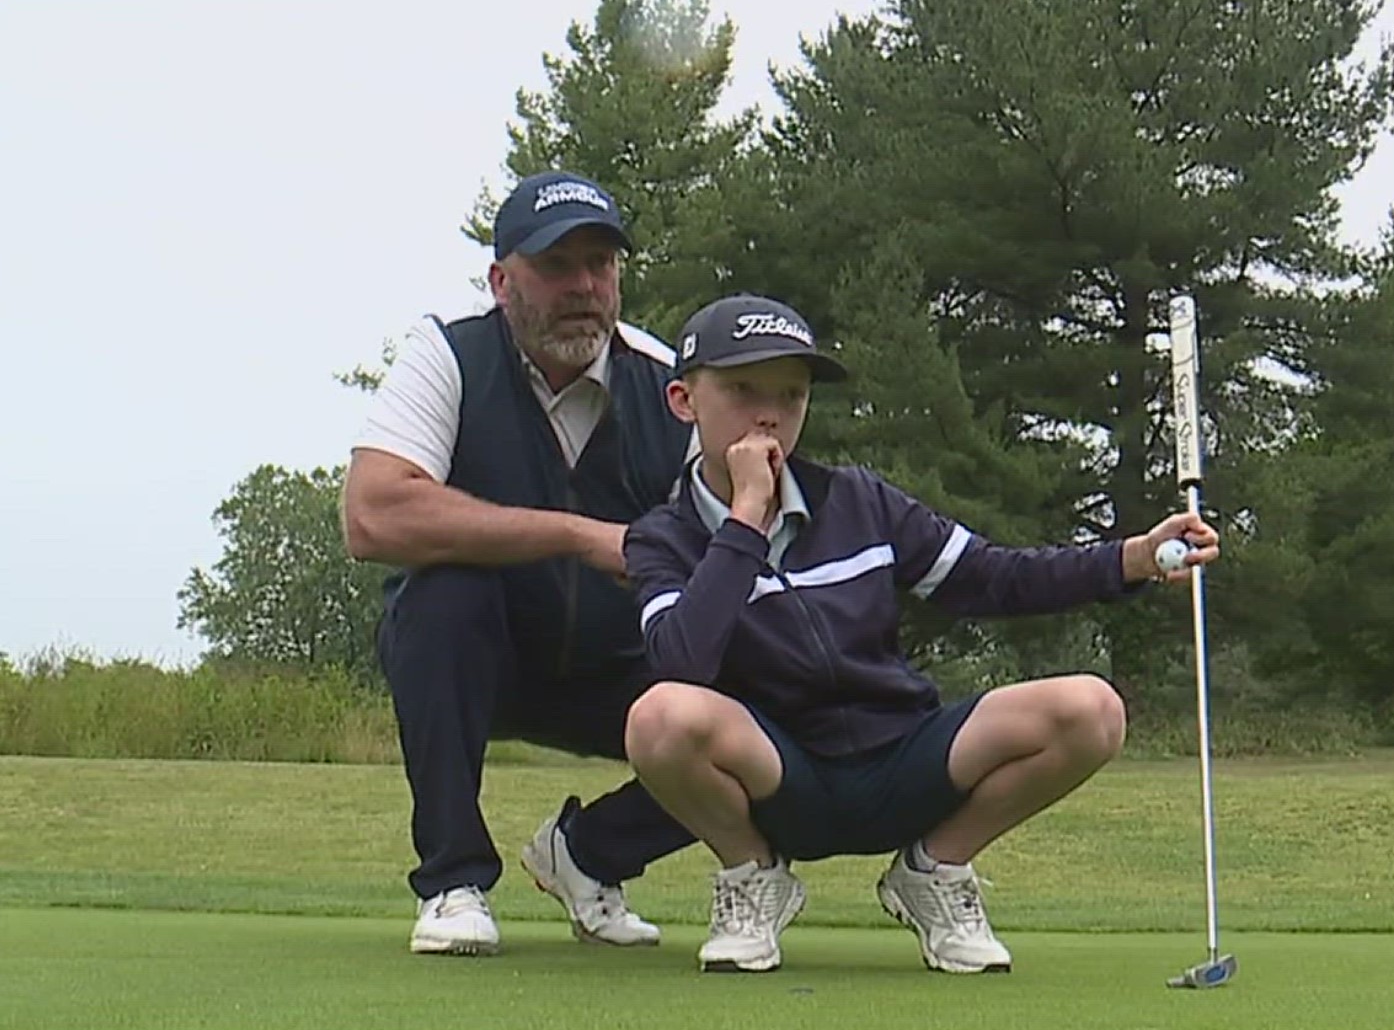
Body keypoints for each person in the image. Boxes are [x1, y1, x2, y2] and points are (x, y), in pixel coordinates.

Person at [621, 293, 1221, 974]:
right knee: (659, 717)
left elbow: (994, 578)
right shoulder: (661, 538)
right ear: (683, 400)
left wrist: (1133, 558)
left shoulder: (858, 500)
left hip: (904, 759)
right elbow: (683, 662)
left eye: (791, 395)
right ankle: (752, 878)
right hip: (782, 781)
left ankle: (934, 870)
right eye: (742, 390)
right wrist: (746, 521)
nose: (770, 415)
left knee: (1092, 710)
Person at [342, 171, 695, 956]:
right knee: (441, 596)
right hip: (481, 658)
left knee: (763, 684)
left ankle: (592, 854)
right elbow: (372, 515)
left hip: (624, 667)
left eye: (600, 264)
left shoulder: (669, 387)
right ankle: (453, 882)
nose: (583, 287)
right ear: (502, 280)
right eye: (557, 265)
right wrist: (575, 535)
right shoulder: (449, 354)